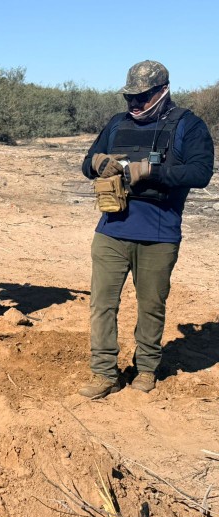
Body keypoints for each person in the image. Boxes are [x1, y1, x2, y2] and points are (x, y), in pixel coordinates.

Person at [79, 60, 214, 399]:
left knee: (151, 305)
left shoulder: (188, 125)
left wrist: (151, 172)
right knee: (102, 304)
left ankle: (147, 368)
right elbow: (87, 162)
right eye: (129, 98)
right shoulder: (117, 123)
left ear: (162, 91)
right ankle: (104, 372)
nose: (134, 105)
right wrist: (96, 164)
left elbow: (200, 173)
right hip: (111, 228)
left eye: (141, 98)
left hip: (159, 232)